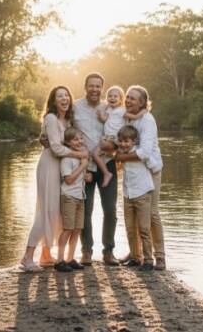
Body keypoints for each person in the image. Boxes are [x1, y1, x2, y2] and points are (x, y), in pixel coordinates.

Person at [20, 86, 88, 272]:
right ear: (53, 100)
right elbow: (57, 148)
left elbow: (64, 143)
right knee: (46, 212)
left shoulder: (67, 120)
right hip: (49, 166)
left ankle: (46, 254)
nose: (64, 98)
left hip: (61, 167)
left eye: (67, 95)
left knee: (56, 212)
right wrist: (79, 155)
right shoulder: (50, 119)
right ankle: (27, 257)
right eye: (60, 96)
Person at [116, 85, 166, 271]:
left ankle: (159, 257)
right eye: (127, 97)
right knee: (133, 214)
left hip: (151, 170)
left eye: (133, 98)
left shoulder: (147, 120)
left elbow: (144, 152)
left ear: (143, 103)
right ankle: (135, 253)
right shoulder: (127, 116)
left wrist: (120, 157)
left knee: (152, 213)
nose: (128, 100)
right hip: (134, 171)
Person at [74, 73, 119, 266]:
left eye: (98, 86)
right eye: (91, 86)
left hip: (107, 164)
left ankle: (108, 251)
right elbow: (65, 131)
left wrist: (113, 146)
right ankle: (86, 251)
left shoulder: (109, 108)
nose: (94, 89)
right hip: (85, 167)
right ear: (85, 87)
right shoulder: (75, 107)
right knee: (86, 211)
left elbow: (121, 134)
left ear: (102, 88)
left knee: (110, 210)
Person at [116, 125, 156, 272]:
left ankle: (149, 260)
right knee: (130, 229)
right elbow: (118, 167)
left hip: (142, 194)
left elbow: (154, 165)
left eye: (127, 141)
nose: (123, 144)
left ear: (134, 141)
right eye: (121, 141)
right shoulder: (121, 154)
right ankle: (135, 257)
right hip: (128, 195)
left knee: (144, 229)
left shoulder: (140, 154)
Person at [93, 86, 145, 188]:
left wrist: (143, 111)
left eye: (115, 96)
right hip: (108, 137)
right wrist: (100, 116)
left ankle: (107, 173)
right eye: (110, 96)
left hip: (115, 138)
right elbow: (105, 120)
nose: (112, 98)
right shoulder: (109, 110)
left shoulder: (122, 110)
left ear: (121, 99)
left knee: (96, 153)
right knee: (96, 154)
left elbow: (134, 117)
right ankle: (107, 171)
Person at [55, 127, 91, 272]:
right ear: (68, 143)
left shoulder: (80, 157)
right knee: (67, 229)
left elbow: (79, 177)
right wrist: (82, 166)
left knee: (77, 229)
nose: (79, 141)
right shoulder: (66, 159)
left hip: (80, 196)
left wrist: (87, 176)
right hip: (69, 196)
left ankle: (70, 259)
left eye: (81, 138)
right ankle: (59, 260)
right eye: (76, 139)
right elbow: (68, 180)